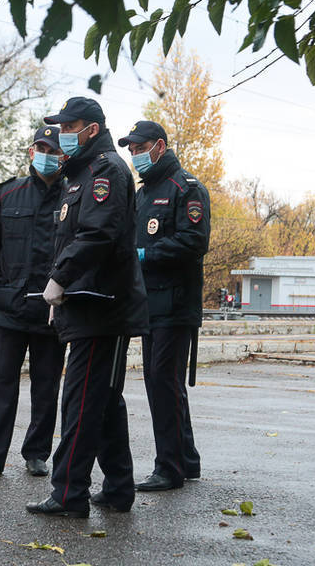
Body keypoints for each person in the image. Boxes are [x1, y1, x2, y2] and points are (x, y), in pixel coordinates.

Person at [25, 96, 149, 517]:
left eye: (69, 126)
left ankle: (68, 494)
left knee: (81, 403)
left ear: (91, 130)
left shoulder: (105, 171)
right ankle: (118, 489)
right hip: (87, 305)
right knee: (105, 401)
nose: (62, 134)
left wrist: (59, 278)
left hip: (102, 308)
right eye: (60, 127)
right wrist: (60, 289)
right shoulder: (79, 175)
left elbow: (96, 235)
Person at [0, 126, 67, 479]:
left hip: (52, 310)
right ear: (30, 151)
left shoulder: (74, 195)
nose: (46, 154)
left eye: (52, 149)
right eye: (40, 147)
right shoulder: (9, 193)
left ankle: (36, 453)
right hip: (10, 307)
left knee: (46, 385)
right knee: (1, 384)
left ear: (63, 155)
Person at [119, 120, 211, 491]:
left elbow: (194, 242)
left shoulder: (186, 189)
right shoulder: (142, 194)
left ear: (159, 146)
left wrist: (145, 254)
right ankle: (186, 459)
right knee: (165, 384)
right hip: (149, 305)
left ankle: (169, 467)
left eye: (140, 149)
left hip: (175, 303)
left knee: (163, 383)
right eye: (131, 150)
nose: (134, 155)